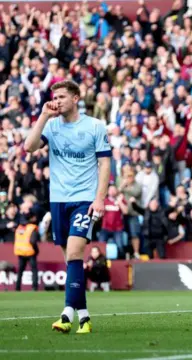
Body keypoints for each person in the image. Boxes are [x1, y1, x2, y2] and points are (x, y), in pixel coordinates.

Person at [24, 80, 111, 334]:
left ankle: (66, 315)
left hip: (84, 199)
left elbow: (104, 165)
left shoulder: (94, 126)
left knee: (74, 253)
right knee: (71, 260)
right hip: (58, 199)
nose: (57, 100)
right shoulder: (51, 126)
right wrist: (42, 116)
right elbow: (29, 147)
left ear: (76, 98)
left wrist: (100, 198)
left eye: (62, 96)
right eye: (55, 97)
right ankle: (84, 316)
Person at [13, 211, 39, 291]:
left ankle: (17, 288)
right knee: (34, 270)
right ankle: (34, 287)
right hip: (30, 252)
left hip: (20, 252)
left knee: (20, 271)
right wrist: (36, 250)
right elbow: (33, 241)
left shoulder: (19, 228)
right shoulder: (32, 227)